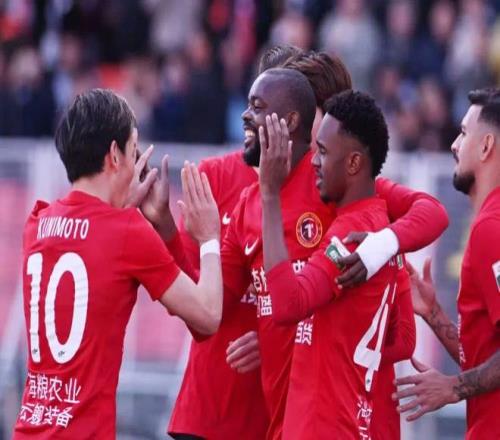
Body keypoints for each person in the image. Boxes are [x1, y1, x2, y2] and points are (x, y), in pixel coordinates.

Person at [174, 67, 448, 440]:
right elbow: (208, 316)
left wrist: (382, 246)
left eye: (258, 106)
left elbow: (432, 213)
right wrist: (181, 235)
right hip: (286, 421)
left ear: (293, 120)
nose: (246, 115)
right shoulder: (248, 205)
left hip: (336, 421)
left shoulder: (342, 194)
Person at [13, 89, 222, 439]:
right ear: (114, 155)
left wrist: (121, 208)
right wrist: (209, 237)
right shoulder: (127, 232)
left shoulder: (36, 222)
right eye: (133, 149)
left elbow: (88, 238)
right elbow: (209, 316)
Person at [167, 45, 302, 440]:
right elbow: (194, 300)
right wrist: (164, 229)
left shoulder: (322, 193)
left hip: (278, 416)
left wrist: (277, 338)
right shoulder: (213, 177)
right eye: (253, 101)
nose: (249, 116)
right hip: (209, 412)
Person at [258, 90, 398, 438]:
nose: (314, 163)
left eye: (322, 151)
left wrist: (270, 195)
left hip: (324, 427)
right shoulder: (382, 228)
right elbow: (405, 338)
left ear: (353, 163)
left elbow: (288, 305)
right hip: (348, 421)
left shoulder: (352, 234)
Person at [394, 88, 500, 439]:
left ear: (486, 147)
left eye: (464, 133)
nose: (454, 145)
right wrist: (433, 313)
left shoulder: (491, 229)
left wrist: (452, 387)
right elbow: (484, 359)